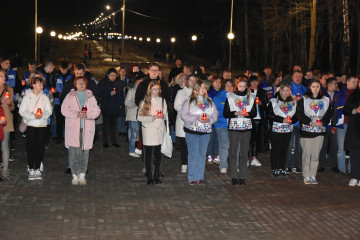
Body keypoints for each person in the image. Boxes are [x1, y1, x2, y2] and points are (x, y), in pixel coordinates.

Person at [61, 76, 101, 185]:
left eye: (83, 83)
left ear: (86, 84)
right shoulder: (70, 96)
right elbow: (64, 110)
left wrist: (87, 115)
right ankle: (74, 175)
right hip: (74, 128)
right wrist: (76, 114)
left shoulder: (91, 96)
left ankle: (82, 174)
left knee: (85, 152)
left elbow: (97, 111)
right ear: (75, 85)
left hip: (87, 128)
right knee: (74, 153)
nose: (81, 85)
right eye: (79, 83)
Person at [180, 80, 218, 185]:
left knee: (202, 154)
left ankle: (200, 176)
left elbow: (215, 114)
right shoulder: (190, 101)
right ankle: (192, 176)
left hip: (205, 131)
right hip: (192, 131)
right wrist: (196, 118)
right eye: (201, 87)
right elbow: (183, 115)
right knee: (193, 154)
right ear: (196, 88)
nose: (203, 89)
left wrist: (208, 120)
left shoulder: (209, 101)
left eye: (205, 87)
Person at [296, 79, 332, 184]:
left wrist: (321, 122)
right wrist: (309, 122)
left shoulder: (325, 100)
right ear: (310, 88)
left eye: (317, 86)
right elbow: (299, 113)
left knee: (316, 155)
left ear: (320, 88)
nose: (315, 89)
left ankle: (313, 175)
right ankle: (306, 176)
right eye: (313, 86)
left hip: (319, 131)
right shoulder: (304, 99)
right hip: (307, 131)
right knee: (307, 154)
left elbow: (328, 114)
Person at [223, 76, 257, 185]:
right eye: (240, 86)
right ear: (236, 86)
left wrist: (248, 114)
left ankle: (242, 177)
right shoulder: (231, 97)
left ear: (247, 86)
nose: (242, 88)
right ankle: (233, 176)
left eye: (244, 86)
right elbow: (225, 113)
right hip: (234, 127)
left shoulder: (251, 97)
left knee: (244, 153)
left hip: (246, 127)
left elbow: (254, 113)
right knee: (233, 153)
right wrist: (235, 113)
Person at [19, 74, 52, 180]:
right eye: (39, 84)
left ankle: (37, 168)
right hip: (31, 125)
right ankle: (31, 168)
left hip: (42, 125)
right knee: (31, 147)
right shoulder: (27, 96)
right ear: (33, 85)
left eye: (42, 84)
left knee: (40, 147)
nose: (41, 86)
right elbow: (22, 111)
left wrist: (43, 115)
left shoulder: (45, 97)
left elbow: (49, 111)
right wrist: (33, 116)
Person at [137, 80, 168, 185]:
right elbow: (139, 117)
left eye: (157, 89)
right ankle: (149, 176)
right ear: (150, 90)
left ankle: (156, 175)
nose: (156, 91)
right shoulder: (145, 101)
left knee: (158, 154)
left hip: (159, 130)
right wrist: (152, 117)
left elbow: (166, 115)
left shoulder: (162, 100)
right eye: (153, 89)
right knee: (149, 155)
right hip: (149, 130)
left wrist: (163, 117)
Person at [268, 83, 297, 177]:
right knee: (276, 149)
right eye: (283, 90)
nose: (285, 92)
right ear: (280, 91)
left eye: (287, 90)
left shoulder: (293, 102)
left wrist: (291, 121)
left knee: (284, 149)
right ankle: (274, 167)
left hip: (287, 129)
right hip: (276, 128)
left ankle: (282, 167)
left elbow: (297, 115)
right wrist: (282, 120)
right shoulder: (274, 101)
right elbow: (270, 115)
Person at [174, 74, 196, 173]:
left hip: (194, 122)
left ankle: (192, 164)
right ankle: (184, 164)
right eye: (190, 80)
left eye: (194, 80)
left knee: (193, 145)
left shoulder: (198, 93)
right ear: (186, 81)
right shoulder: (181, 92)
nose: (192, 82)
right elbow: (176, 105)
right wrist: (186, 111)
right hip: (182, 121)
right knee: (184, 145)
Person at [286, 70, 307, 173]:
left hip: (301, 121)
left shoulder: (305, 89)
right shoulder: (288, 88)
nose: (298, 78)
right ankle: (287, 165)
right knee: (289, 145)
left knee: (299, 145)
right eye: (296, 76)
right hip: (291, 120)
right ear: (292, 77)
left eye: (300, 76)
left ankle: (295, 165)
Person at [98, 68, 125, 148]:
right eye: (111, 75)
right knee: (106, 125)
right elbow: (100, 94)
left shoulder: (118, 83)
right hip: (106, 107)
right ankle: (105, 142)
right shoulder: (103, 82)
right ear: (108, 75)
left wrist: (121, 103)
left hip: (116, 107)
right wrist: (109, 93)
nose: (113, 77)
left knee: (114, 125)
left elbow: (121, 94)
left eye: (114, 75)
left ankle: (114, 141)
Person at [336, 76, 358, 175]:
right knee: (341, 148)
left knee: (353, 148)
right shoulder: (341, 93)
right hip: (342, 123)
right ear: (348, 82)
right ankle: (341, 169)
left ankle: (351, 169)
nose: (355, 84)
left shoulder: (357, 94)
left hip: (354, 125)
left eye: (357, 82)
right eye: (354, 82)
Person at [318, 78, 339, 173]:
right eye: (335, 84)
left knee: (334, 146)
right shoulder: (323, 95)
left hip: (334, 124)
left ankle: (334, 165)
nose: (336, 85)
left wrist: (334, 124)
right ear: (329, 85)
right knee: (323, 146)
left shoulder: (337, 95)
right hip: (324, 124)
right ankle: (322, 165)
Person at [213, 78, 233, 174]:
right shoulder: (218, 97)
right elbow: (216, 112)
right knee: (224, 145)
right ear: (224, 86)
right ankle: (223, 165)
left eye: (231, 85)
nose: (230, 87)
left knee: (232, 145)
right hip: (221, 125)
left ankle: (234, 164)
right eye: (228, 85)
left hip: (233, 125)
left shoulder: (235, 97)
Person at [248, 75, 269, 166]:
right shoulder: (247, 91)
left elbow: (267, 105)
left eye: (255, 81)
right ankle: (245, 158)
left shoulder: (263, 92)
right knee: (247, 138)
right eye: (252, 81)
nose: (254, 83)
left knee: (255, 139)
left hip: (258, 118)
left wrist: (261, 103)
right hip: (247, 117)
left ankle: (254, 157)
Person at [343, 88, 360, 186]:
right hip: (355, 128)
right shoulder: (354, 95)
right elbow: (346, 110)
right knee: (355, 153)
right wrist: (355, 110)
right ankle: (354, 176)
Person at [125, 74, 144, 157]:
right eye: (139, 82)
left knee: (140, 134)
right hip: (133, 116)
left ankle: (138, 149)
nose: (140, 84)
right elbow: (126, 103)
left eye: (141, 82)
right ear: (136, 82)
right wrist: (134, 104)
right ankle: (131, 150)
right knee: (134, 134)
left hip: (141, 116)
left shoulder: (144, 92)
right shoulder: (132, 91)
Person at [0, 70, 14, 179]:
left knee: (5, 146)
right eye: (1, 76)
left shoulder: (9, 90)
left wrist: (10, 103)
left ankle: (5, 169)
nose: (3, 77)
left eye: (4, 76)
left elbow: (13, 108)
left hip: (6, 120)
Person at [53, 62, 72, 144]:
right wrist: (57, 94)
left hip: (68, 102)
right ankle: (59, 138)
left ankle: (68, 137)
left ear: (67, 68)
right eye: (62, 70)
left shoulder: (71, 76)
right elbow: (52, 87)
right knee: (59, 121)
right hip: (58, 102)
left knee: (67, 121)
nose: (63, 71)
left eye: (65, 70)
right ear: (60, 68)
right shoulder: (56, 76)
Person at [206, 76, 222, 164]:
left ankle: (217, 155)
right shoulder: (208, 93)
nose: (218, 84)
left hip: (219, 120)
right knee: (210, 138)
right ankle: (209, 155)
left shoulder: (222, 93)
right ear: (212, 83)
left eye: (219, 82)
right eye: (216, 82)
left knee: (218, 138)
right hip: (211, 120)